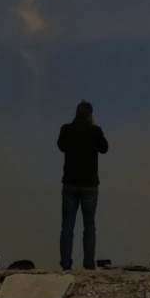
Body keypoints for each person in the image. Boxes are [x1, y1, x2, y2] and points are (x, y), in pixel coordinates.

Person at [57, 100, 108, 271]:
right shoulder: (95, 131)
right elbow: (104, 148)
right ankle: (88, 264)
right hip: (89, 184)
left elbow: (61, 146)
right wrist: (94, 126)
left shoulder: (66, 129)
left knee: (67, 225)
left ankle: (66, 263)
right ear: (90, 115)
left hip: (70, 182)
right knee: (89, 225)